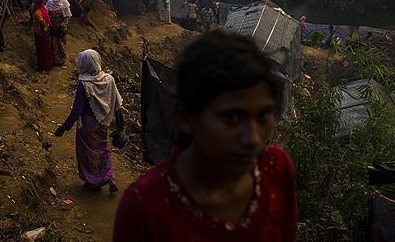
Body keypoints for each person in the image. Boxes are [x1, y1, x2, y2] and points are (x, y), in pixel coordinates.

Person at [113, 30, 296, 241]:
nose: (253, 139)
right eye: (232, 118)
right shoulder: (143, 208)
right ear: (186, 117)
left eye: (263, 115)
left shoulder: (277, 170)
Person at [55, 49, 125, 193]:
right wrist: (120, 124)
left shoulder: (84, 84)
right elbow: (117, 104)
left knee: (87, 152)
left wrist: (64, 127)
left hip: (86, 125)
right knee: (103, 148)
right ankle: (110, 177)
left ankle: (93, 182)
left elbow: (76, 111)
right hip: (103, 122)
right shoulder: (109, 79)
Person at [47, 0, 72, 67]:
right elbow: (46, 12)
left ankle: (64, 60)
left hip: (61, 27)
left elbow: (68, 16)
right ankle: (56, 60)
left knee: (60, 43)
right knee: (53, 43)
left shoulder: (64, 2)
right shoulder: (50, 1)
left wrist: (63, 25)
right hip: (52, 26)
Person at [31, 0, 54, 72]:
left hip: (40, 33)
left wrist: (41, 27)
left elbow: (42, 22)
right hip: (46, 31)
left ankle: (43, 66)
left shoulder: (37, 13)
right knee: (46, 48)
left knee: (41, 49)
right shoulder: (45, 8)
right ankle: (48, 63)